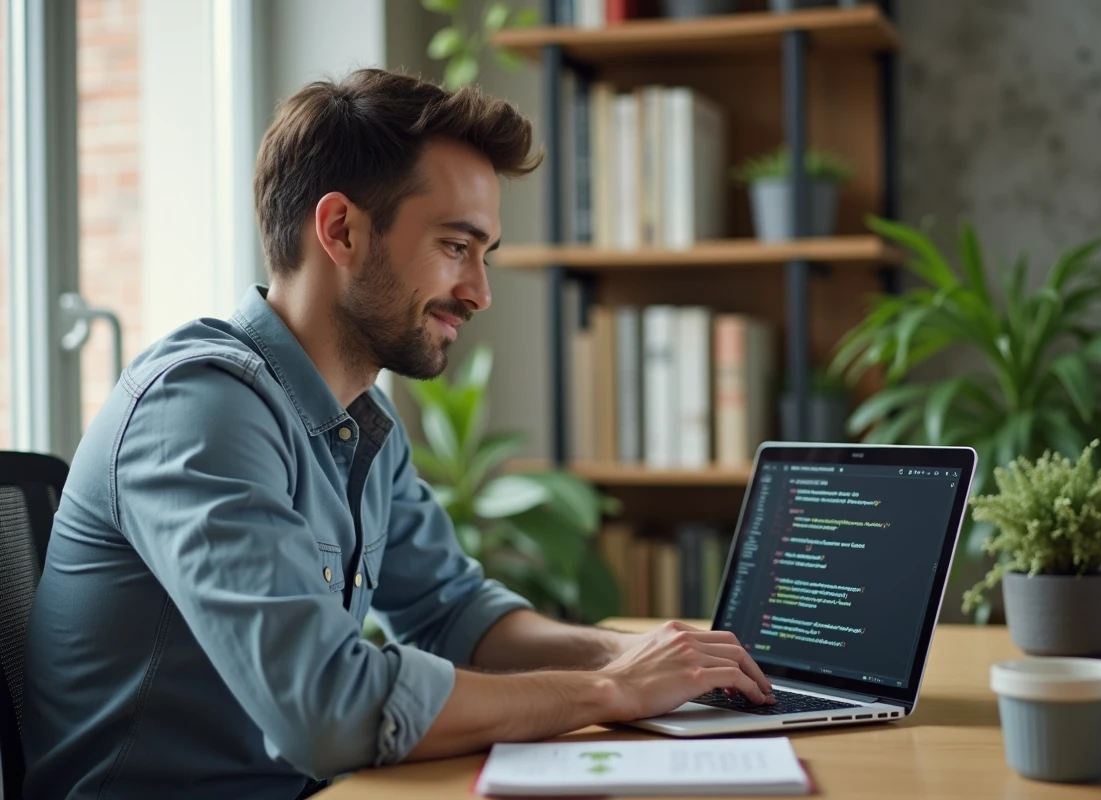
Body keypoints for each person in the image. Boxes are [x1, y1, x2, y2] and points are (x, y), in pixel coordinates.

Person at [22, 69, 773, 800]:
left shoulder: (358, 422)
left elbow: (451, 611)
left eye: (485, 255)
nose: (479, 290)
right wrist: (609, 688)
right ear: (342, 230)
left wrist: (641, 653)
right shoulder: (199, 409)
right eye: (456, 246)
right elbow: (329, 708)